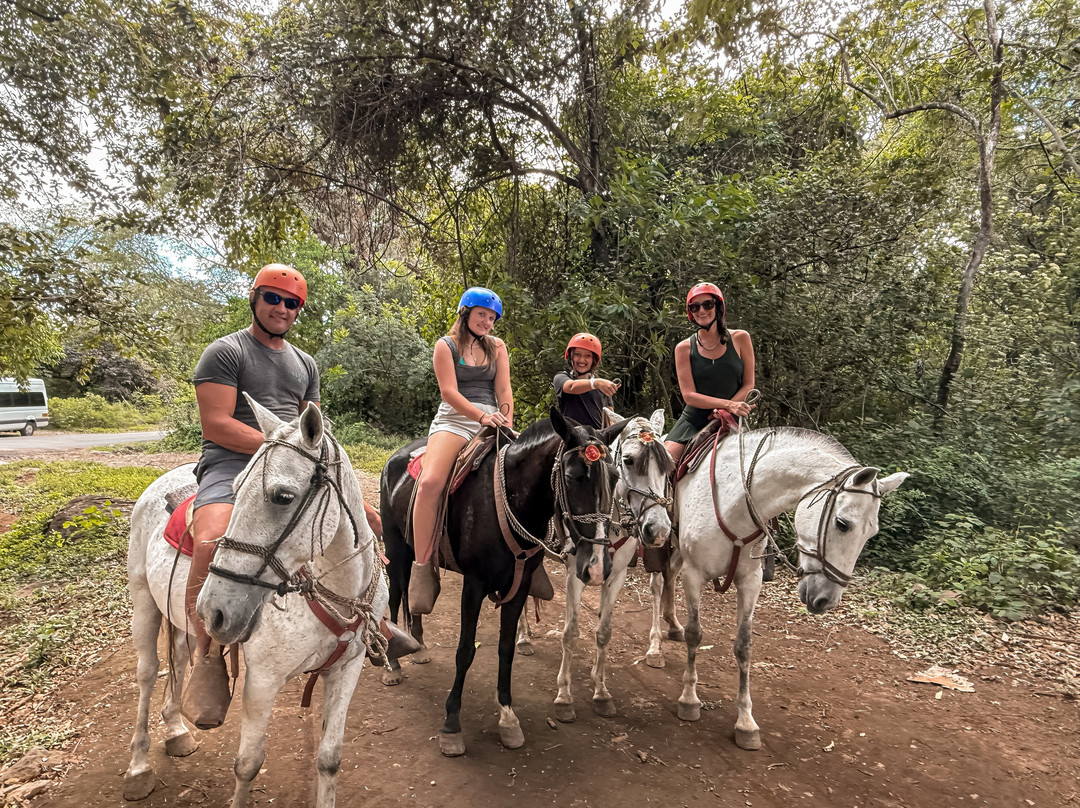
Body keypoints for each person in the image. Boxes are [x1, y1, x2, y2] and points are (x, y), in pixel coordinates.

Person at [185, 263, 381, 716]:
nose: (281, 308)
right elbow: (215, 423)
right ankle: (209, 654)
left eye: (291, 302)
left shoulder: (304, 363)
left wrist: (312, 467)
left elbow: (313, 429)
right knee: (212, 535)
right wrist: (281, 451)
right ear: (254, 298)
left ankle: (371, 621)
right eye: (272, 298)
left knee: (361, 525)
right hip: (234, 461)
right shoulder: (225, 352)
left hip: (292, 465)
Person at [409, 287, 513, 615]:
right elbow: (448, 392)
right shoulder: (446, 346)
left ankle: (530, 562)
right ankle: (423, 567)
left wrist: (506, 421)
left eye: (492, 317)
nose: (488, 322)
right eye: (482, 314)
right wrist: (481, 416)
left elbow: (504, 389)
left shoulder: (497, 348)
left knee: (527, 472)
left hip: (494, 419)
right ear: (465, 312)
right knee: (429, 483)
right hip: (455, 421)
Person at [664, 282, 756, 466]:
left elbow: (748, 384)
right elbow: (689, 396)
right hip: (694, 420)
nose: (701, 311)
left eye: (707, 304)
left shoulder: (740, 338)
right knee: (662, 465)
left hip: (731, 419)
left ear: (718, 307)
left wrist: (727, 410)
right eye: (695, 307)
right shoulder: (683, 348)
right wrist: (728, 404)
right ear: (690, 312)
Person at [553, 332, 619, 429]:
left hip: (597, 437)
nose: (582, 360)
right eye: (577, 354)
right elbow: (571, 386)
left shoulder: (601, 386)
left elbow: (610, 419)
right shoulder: (561, 377)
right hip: (572, 437)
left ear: (594, 360)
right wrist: (596, 383)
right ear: (570, 356)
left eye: (587, 356)